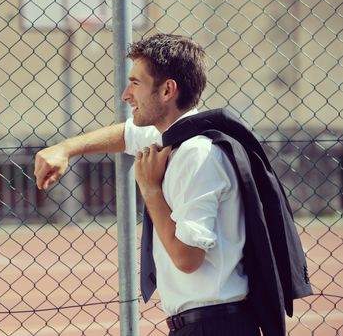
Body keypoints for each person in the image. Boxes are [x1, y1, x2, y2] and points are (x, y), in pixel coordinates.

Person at [34, 34, 311, 335]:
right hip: (205, 324)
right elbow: (127, 135)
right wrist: (65, 149)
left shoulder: (197, 153)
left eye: (136, 83)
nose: (126, 95)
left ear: (167, 90)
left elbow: (188, 257)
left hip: (214, 325)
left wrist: (151, 190)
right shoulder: (176, 140)